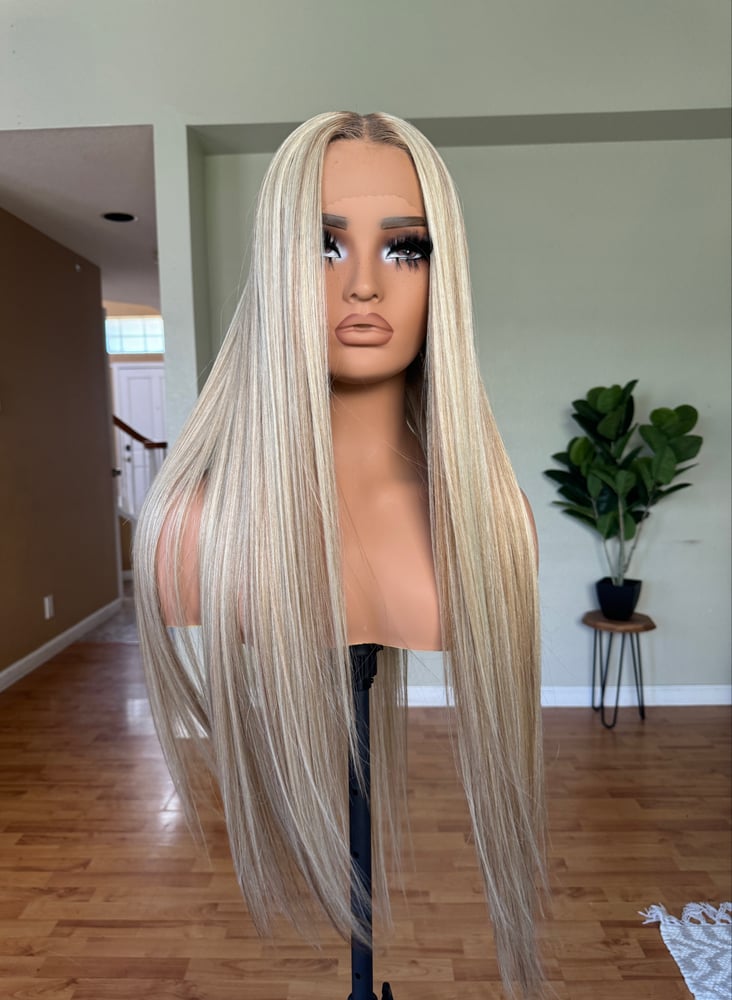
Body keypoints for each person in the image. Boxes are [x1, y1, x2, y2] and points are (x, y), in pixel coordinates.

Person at [134, 111, 545, 997]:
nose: (363, 284)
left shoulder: (492, 528)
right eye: (323, 246)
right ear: (274, 270)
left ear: (442, 274)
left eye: (404, 249)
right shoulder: (193, 533)